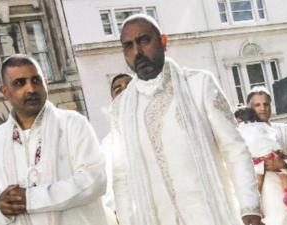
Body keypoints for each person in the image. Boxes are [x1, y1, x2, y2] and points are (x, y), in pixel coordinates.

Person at [111, 14, 262, 225]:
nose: (137, 52)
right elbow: (122, 178)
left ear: (163, 41)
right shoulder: (120, 109)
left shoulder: (199, 85)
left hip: (209, 216)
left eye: (144, 40)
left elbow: (234, 149)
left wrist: (250, 209)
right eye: (129, 46)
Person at [0, 54, 108, 225]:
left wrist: (30, 199)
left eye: (36, 80)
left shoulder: (72, 124)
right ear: (5, 92)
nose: (31, 89)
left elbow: (95, 180)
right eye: (20, 83)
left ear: (45, 83)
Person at [247, 86, 287, 225]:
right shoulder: (242, 134)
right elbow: (238, 166)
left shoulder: (283, 129)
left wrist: (284, 164)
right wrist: (261, 166)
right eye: (257, 105)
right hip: (265, 200)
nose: (262, 108)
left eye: (266, 104)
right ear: (250, 108)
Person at [235, 107, 287, 210]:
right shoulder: (262, 124)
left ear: (239, 119)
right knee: (283, 174)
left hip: (257, 158)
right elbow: (272, 134)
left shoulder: (240, 128)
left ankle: (257, 206)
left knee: (258, 182)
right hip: (270, 153)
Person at [101, 73, 132, 225]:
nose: (124, 90)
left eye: (129, 85)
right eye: (118, 89)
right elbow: (106, 189)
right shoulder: (107, 144)